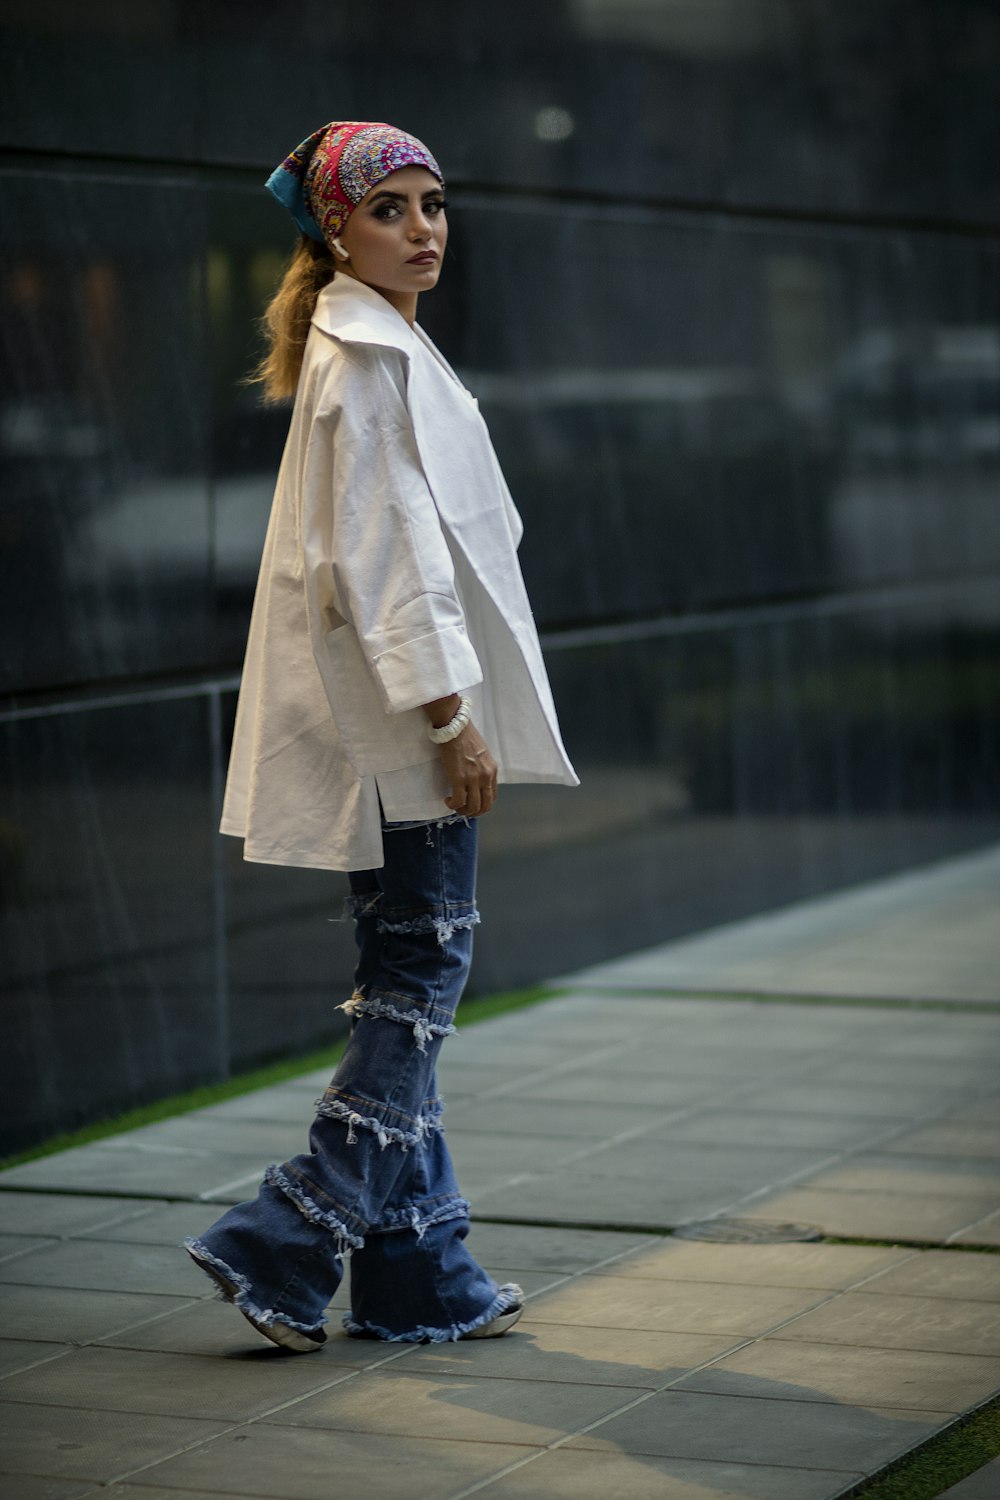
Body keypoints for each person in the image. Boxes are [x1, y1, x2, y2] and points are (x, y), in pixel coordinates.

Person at [184, 120, 577, 1351]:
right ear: (336, 229)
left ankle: (423, 1278)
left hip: (393, 727)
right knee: (419, 981)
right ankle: (284, 1238)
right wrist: (455, 719)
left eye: (433, 203)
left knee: (406, 978)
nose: (423, 228)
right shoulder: (363, 357)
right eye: (393, 208)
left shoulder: (375, 343)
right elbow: (385, 565)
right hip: (406, 728)